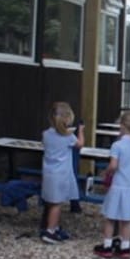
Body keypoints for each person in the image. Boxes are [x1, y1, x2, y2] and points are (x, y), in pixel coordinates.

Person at [94, 110, 130, 259]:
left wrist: (105, 173)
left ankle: (107, 246)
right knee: (127, 220)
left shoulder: (117, 145)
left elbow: (113, 166)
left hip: (120, 186)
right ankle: (124, 248)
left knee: (110, 217)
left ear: (122, 126)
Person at [40, 102, 84, 245]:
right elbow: (80, 144)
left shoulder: (46, 134)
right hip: (61, 175)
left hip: (49, 173)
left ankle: (54, 226)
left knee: (51, 202)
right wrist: (81, 131)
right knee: (57, 204)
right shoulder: (68, 136)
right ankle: (50, 231)